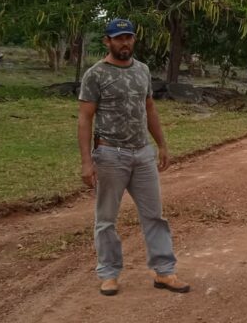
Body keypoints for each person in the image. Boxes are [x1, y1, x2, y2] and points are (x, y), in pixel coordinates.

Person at [77, 18, 190, 296]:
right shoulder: (96, 74)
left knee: (154, 216)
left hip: (142, 154)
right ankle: (109, 274)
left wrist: (161, 144)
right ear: (107, 41)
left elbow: (149, 108)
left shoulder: (143, 70)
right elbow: (84, 118)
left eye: (128, 37)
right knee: (106, 219)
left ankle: (164, 272)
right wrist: (86, 162)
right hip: (110, 154)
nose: (124, 43)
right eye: (118, 38)